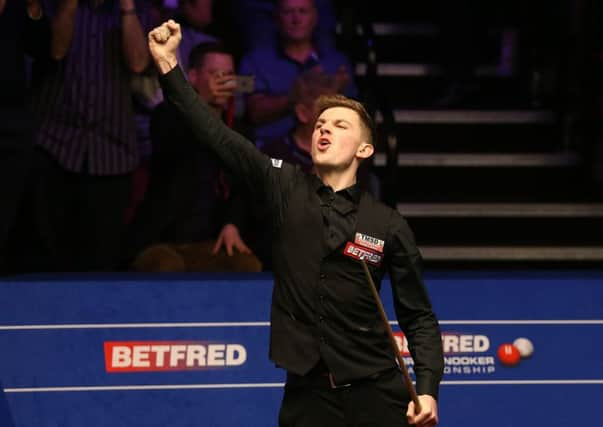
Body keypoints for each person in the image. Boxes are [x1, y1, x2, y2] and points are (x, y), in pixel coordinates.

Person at [149, 20, 444, 426]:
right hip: (308, 397)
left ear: (364, 148)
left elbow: (419, 317)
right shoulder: (284, 185)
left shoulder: (388, 223)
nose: (324, 128)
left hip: (378, 394)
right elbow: (217, 137)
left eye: (340, 124)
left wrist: (427, 388)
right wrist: (168, 65)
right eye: (321, 123)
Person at [28, 0, 150, 271]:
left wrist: (127, 9)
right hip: (55, 145)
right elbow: (56, 50)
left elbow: (139, 63)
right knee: (49, 258)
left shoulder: (137, 10)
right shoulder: (52, 5)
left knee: (101, 261)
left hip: (113, 151)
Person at [126, 41, 261, 272]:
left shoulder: (240, 131)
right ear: (194, 77)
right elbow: (174, 151)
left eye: (228, 74)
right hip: (164, 240)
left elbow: (242, 188)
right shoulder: (168, 115)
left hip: (211, 242)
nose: (222, 80)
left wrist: (231, 224)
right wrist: (199, 102)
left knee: (247, 265)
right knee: (166, 266)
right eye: (214, 74)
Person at [239, 0, 357, 145]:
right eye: (288, 12)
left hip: (328, 148)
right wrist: (297, 95)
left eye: (303, 11)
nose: (296, 19)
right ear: (276, 17)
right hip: (269, 153)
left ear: (315, 16)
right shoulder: (251, 61)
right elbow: (252, 112)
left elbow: (352, 112)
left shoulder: (337, 62)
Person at [0, 0, 49, 274]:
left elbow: (43, 50)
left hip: (12, 118)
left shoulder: (18, 6)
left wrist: (33, 9)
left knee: (7, 207)